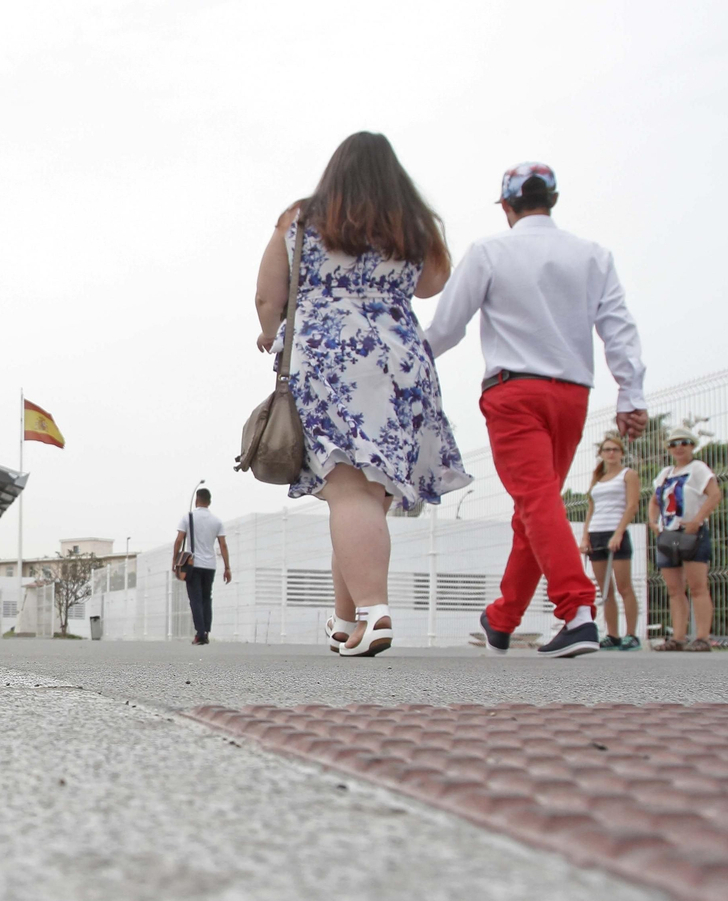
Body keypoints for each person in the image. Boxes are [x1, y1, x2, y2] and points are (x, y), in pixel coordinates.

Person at [254, 131, 470, 658]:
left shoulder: (301, 218)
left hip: (328, 356)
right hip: (398, 357)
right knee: (363, 496)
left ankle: (374, 612)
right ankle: (348, 619)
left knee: (347, 490)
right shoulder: (410, 221)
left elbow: (268, 295)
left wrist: (269, 331)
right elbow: (432, 284)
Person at [428, 161, 648, 658]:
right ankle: (502, 618)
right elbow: (619, 328)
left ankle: (577, 611)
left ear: (506, 206)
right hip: (572, 395)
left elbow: (445, 329)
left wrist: (402, 367)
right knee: (536, 505)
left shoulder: (489, 251)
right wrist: (630, 395)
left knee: (535, 503)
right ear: (552, 199)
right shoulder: (594, 256)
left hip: (513, 394)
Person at [649, 428, 720, 652]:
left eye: (684, 442)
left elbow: (715, 494)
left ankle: (702, 637)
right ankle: (678, 636)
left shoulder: (698, 468)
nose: (679, 447)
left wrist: (698, 519)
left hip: (690, 531)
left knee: (698, 586)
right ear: (668, 448)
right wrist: (653, 523)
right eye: (673, 443)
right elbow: (654, 501)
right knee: (674, 588)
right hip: (668, 532)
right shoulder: (665, 473)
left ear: (692, 445)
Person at [580, 434, 642, 650]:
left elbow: (632, 505)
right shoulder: (597, 478)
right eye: (607, 449)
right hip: (596, 532)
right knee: (605, 589)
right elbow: (591, 508)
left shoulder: (628, 475)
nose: (611, 453)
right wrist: (585, 536)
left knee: (624, 587)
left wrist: (618, 533)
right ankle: (612, 634)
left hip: (616, 533)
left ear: (621, 453)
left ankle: (632, 634)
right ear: (601, 453)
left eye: (615, 449)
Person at [172, 487, 230, 645]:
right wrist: (227, 567)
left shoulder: (188, 518)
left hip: (193, 564)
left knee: (195, 599)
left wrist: (175, 561)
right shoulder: (217, 521)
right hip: (210, 565)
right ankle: (206, 631)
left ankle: (200, 633)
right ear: (209, 502)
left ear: (197, 500)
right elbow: (223, 545)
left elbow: (179, 541)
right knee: (206, 598)